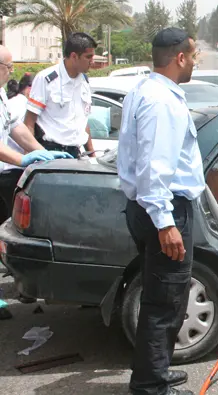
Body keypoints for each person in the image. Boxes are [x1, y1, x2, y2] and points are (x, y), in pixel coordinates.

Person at [117, 28, 203, 395]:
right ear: (180, 57)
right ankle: (150, 387)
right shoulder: (161, 102)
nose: (196, 61)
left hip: (146, 208)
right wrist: (166, 224)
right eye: (193, 55)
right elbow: (154, 168)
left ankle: (156, 372)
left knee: (162, 297)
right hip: (163, 212)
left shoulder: (144, 89)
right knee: (164, 304)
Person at [0, 46, 72, 224]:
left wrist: (42, 153)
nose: (11, 72)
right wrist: (21, 159)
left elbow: (14, 125)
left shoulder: (1, 93)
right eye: (9, 67)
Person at [24, 32, 97, 158]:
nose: (92, 61)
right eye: (88, 57)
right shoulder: (46, 79)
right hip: (49, 152)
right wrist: (31, 157)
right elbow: (29, 122)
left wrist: (93, 156)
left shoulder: (84, 81)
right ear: (74, 56)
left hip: (75, 154)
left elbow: (83, 122)